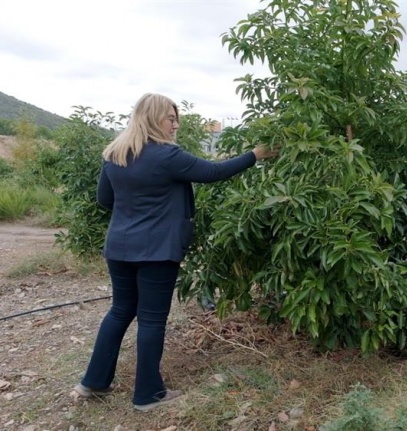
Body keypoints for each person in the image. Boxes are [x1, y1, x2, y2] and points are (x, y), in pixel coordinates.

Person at [73, 93, 279, 411]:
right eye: (171, 118)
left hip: (119, 248)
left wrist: (136, 210)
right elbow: (213, 173)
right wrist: (255, 154)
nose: (176, 124)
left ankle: (94, 381)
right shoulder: (166, 156)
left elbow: (105, 200)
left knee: (120, 311)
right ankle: (148, 395)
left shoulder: (115, 153)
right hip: (156, 251)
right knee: (152, 320)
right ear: (155, 118)